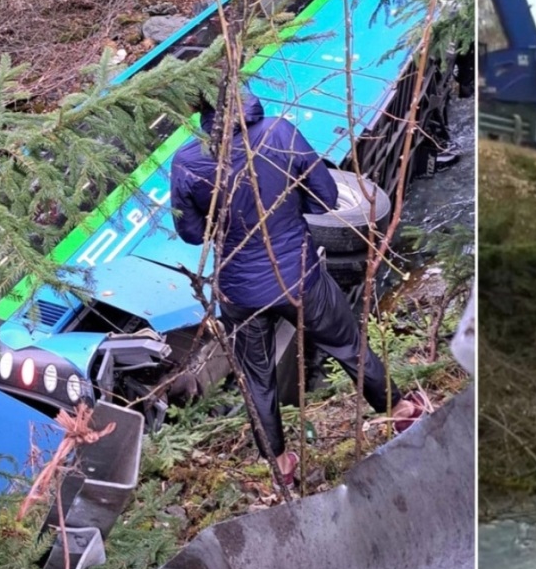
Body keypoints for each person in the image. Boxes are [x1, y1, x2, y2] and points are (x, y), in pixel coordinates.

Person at [170, 90, 425, 486]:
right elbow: (326, 197)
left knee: (257, 381)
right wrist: (287, 207)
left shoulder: (186, 160)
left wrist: (224, 222)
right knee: (348, 345)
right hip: (297, 279)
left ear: (195, 107)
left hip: (237, 292)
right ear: (241, 92)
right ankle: (402, 412)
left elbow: (190, 233)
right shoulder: (280, 132)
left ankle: (282, 468)